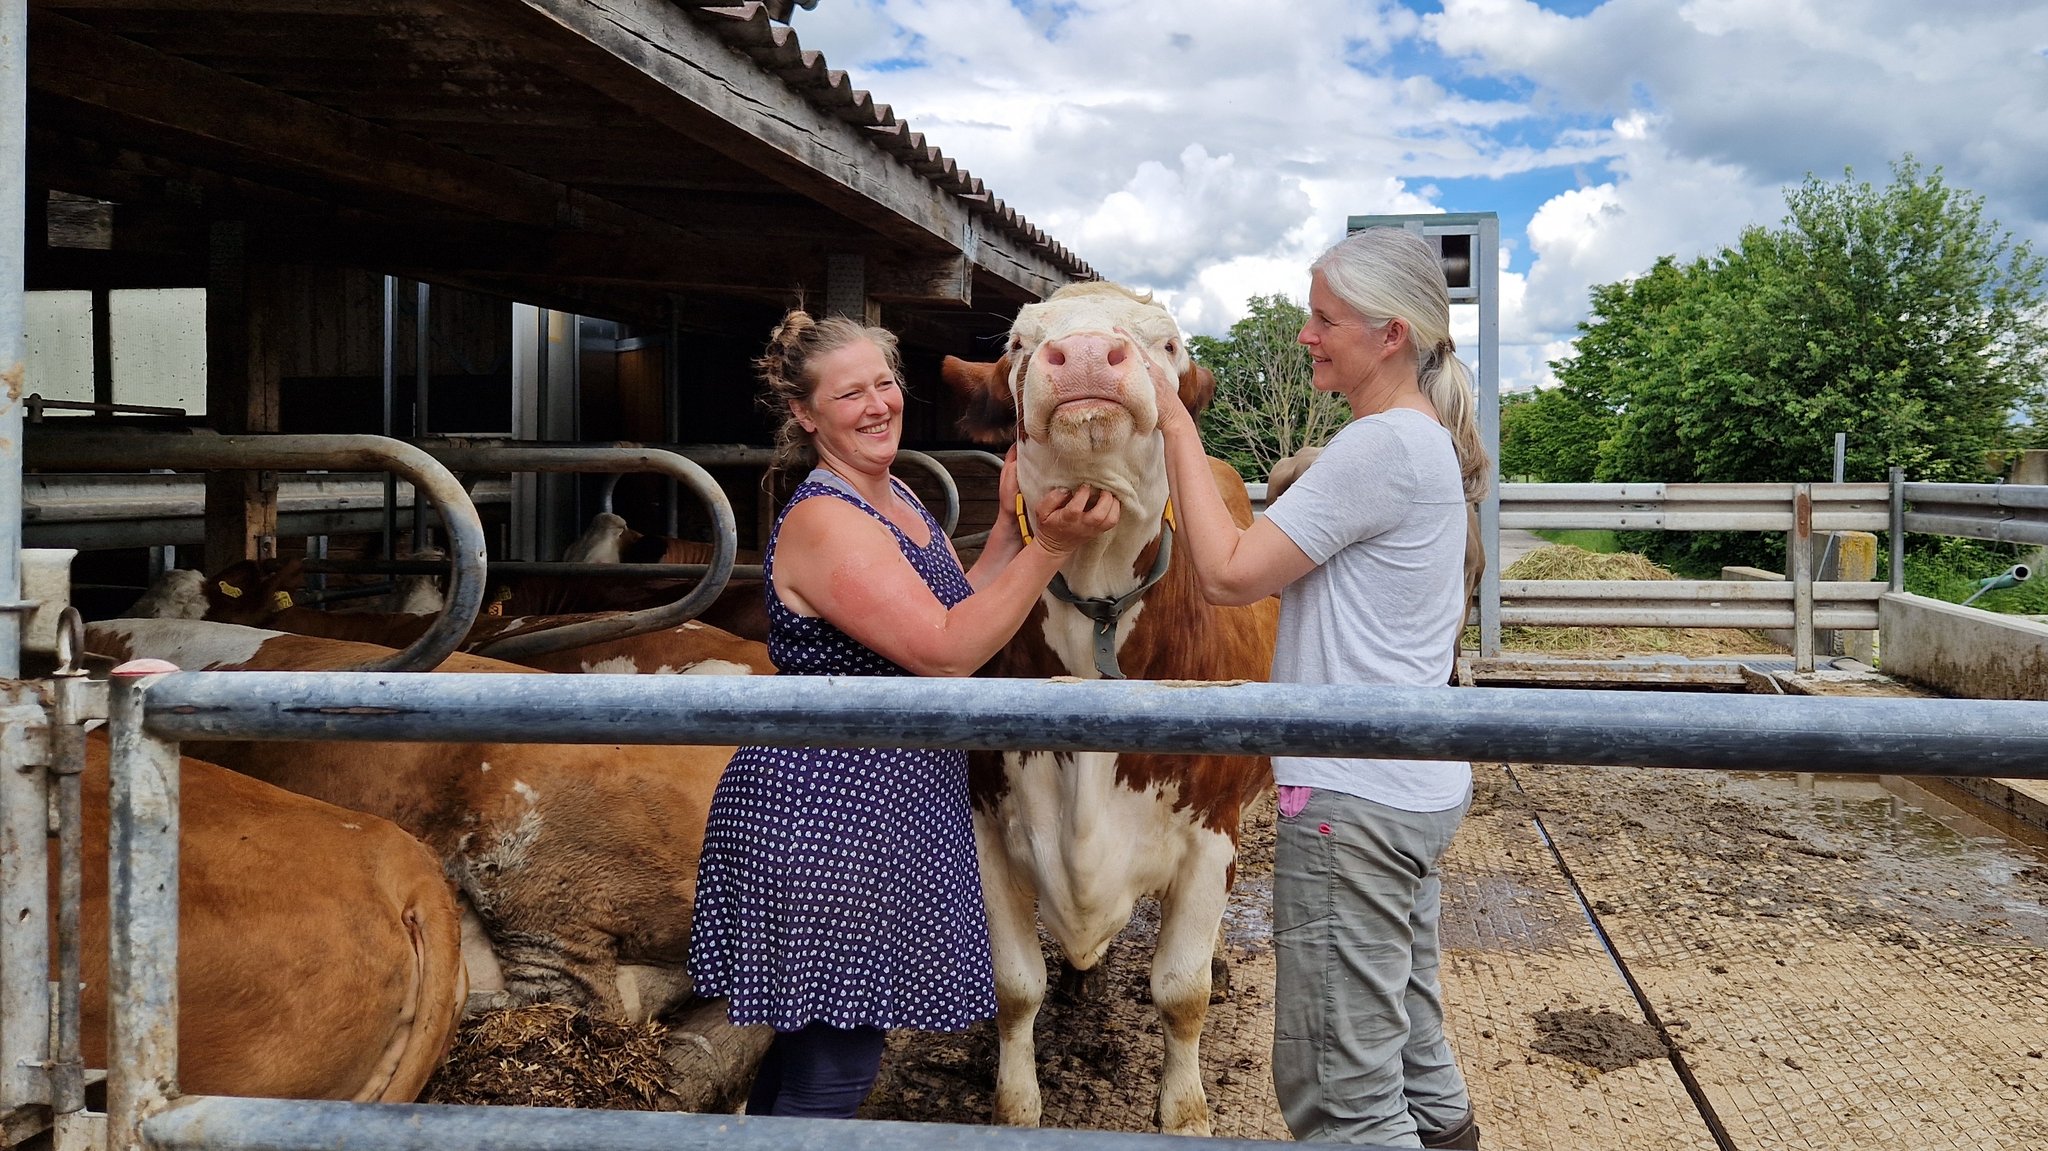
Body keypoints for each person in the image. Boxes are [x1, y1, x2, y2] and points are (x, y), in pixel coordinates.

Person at [686, 309, 1120, 1119]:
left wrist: (1019, 512)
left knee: (818, 1048)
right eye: (850, 394)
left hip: (884, 809)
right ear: (805, 415)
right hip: (827, 814)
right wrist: (1051, 550)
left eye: (884, 383)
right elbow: (948, 649)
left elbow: (963, 597)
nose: (879, 403)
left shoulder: (893, 498)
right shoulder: (825, 519)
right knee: (838, 1066)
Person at [1141, 227, 1489, 1149]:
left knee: (1340, 1091)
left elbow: (1222, 573)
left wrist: (1176, 420)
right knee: (1411, 1046)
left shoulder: (1380, 447)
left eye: (1324, 318)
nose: (1305, 334)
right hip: (1409, 787)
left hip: (1353, 801)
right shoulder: (1415, 444)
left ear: (1391, 335)